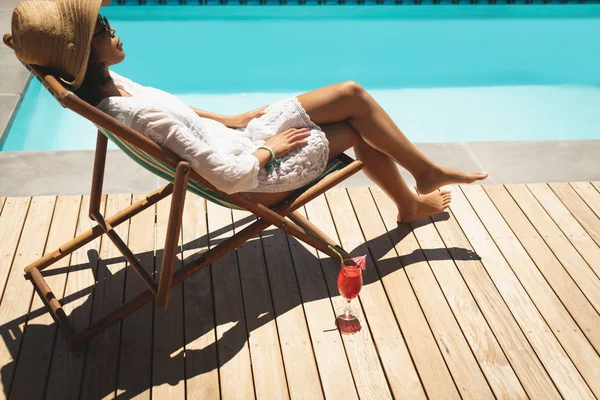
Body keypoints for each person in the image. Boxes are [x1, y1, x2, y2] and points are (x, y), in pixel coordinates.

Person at [10, 0, 487, 223]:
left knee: (353, 95)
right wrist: (267, 147)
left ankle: (421, 178)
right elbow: (228, 177)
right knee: (357, 129)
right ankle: (412, 199)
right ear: (89, 53)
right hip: (256, 168)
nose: (116, 31)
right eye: (105, 27)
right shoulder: (133, 114)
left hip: (237, 138)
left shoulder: (110, 91)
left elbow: (176, 114)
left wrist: (229, 119)